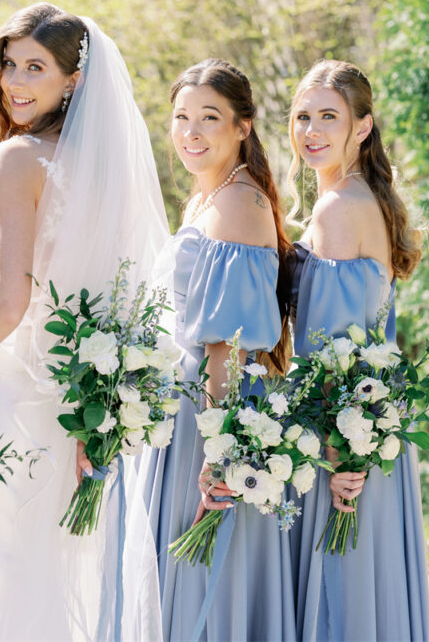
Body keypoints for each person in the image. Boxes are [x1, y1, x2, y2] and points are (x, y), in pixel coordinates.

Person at [0, 2, 170, 640]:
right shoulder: (105, 171)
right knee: (47, 588)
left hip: (2, 403)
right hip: (71, 414)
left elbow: (8, 303)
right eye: (10, 63)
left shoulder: (16, 160)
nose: (14, 81)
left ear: (74, 80)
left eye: (35, 67)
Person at [136, 58, 297, 640]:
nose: (192, 132)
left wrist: (218, 447)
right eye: (181, 118)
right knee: (181, 572)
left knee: (207, 576)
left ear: (242, 127)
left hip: (214, 408)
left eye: (209, 117)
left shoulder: (237, 203)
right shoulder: (206, 199)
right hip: (186, 407)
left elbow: (223, 346)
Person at [286, 59, 428, 641]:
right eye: (301, 117)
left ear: (362, 127)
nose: (311, 131)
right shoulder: (362, 195)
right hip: (365, 426)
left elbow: (332, 350)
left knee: (338, 598)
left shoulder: (339, 207)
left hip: (340, 437)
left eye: (328, 117)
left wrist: (343, 453)